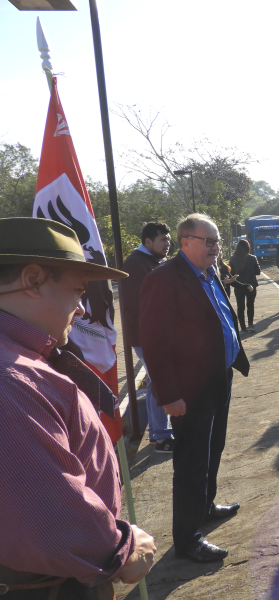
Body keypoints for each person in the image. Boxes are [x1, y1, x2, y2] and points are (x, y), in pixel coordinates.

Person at [0, 217, 156, 594]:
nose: (83, 309)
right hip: (54, 586)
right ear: (33, 279)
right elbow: (50, 513)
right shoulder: (12, 380)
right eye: (77, 291)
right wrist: (121, 550)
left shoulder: (25, 358)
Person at [139, 214, 249, 563]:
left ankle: (204, 506)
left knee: (213, 450)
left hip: (220, 377)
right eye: (210, 242)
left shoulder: (209, 270)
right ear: (186, 241)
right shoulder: (164, 279)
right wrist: (169, 395)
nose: (216, 248)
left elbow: (220, 314)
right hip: (190, 387)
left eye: (218, 242)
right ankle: (187, 539)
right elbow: (154, 342)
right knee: (190, 463)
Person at [120, 222, 174, 452]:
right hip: (147, 336)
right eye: (163, 240)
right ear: (148, 242)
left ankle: (159, 432)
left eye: (168, 240)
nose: (167, 244)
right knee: (160, 381)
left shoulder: (154, 262)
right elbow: (137, 307)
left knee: (156, 382)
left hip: (158, 334)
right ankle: (160, 436)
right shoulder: (136, 264)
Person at [229, 239, 261, 332]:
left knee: (240, 306)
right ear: (248, 247)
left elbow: (230, 272)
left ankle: (243, 327)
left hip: (239, 286)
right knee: (250, 305)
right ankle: (251, 324)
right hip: (251, 285)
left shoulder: (233, 259)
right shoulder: (253, 258)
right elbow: (258, 272)